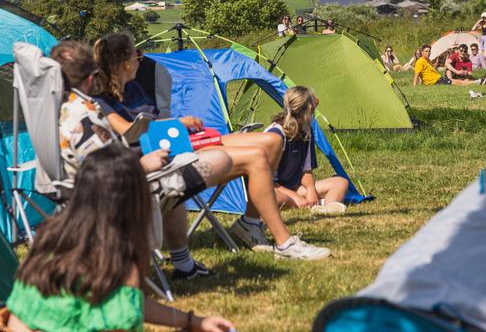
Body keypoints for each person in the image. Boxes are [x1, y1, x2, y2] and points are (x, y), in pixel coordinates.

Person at [92, 33, 330, 261]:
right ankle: (283, 242)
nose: (140, 60)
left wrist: (180, 123)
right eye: (137, 55)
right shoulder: (101, 98)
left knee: (273, 141)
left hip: (177, 142)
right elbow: (126, 129)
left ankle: (250, 221)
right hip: (160, 157)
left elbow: (150, 122)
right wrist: (177, 123)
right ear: (124, 63)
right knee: (256, 157)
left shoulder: (133, 89)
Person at [50, 40, 233, 280]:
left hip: (90, 189)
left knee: (181, 176)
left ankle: (184, 264)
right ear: (91, 79)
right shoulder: (83, 118)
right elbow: (104, 174)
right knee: (219, 159)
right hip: (121, 195)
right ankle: (181, 263)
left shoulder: (60, 107)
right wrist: (143, 165)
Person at [5, 147, 234, 332]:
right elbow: (125, 311)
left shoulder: (51, 239)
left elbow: (128, 301)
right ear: (135, 199)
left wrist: (192, 321)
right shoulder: (118, 259)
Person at [265, 87, 349, 216]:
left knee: (341, 182)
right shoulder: (276, 135)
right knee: (279, 199)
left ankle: (326, 208)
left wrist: (310, 190)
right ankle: (308, 203)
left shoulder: (306, 132)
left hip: (294, 187)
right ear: (307, 112)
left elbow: (306, 170)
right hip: (271, 189)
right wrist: (294, 196)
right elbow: (266, 181)